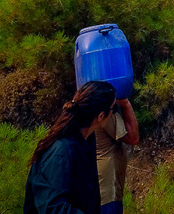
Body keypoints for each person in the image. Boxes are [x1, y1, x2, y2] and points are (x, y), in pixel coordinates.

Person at [24, 81, 116, 214]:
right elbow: (53, 208)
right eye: (114, 109)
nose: (114, 114)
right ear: (101, 116)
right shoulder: (61, 152)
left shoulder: (87, 139)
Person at [96, 98, 139, 214]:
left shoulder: (85, 105)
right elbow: (132, 137)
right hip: (107, 188)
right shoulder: (104, 111)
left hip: (97, 185)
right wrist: (125, 104)